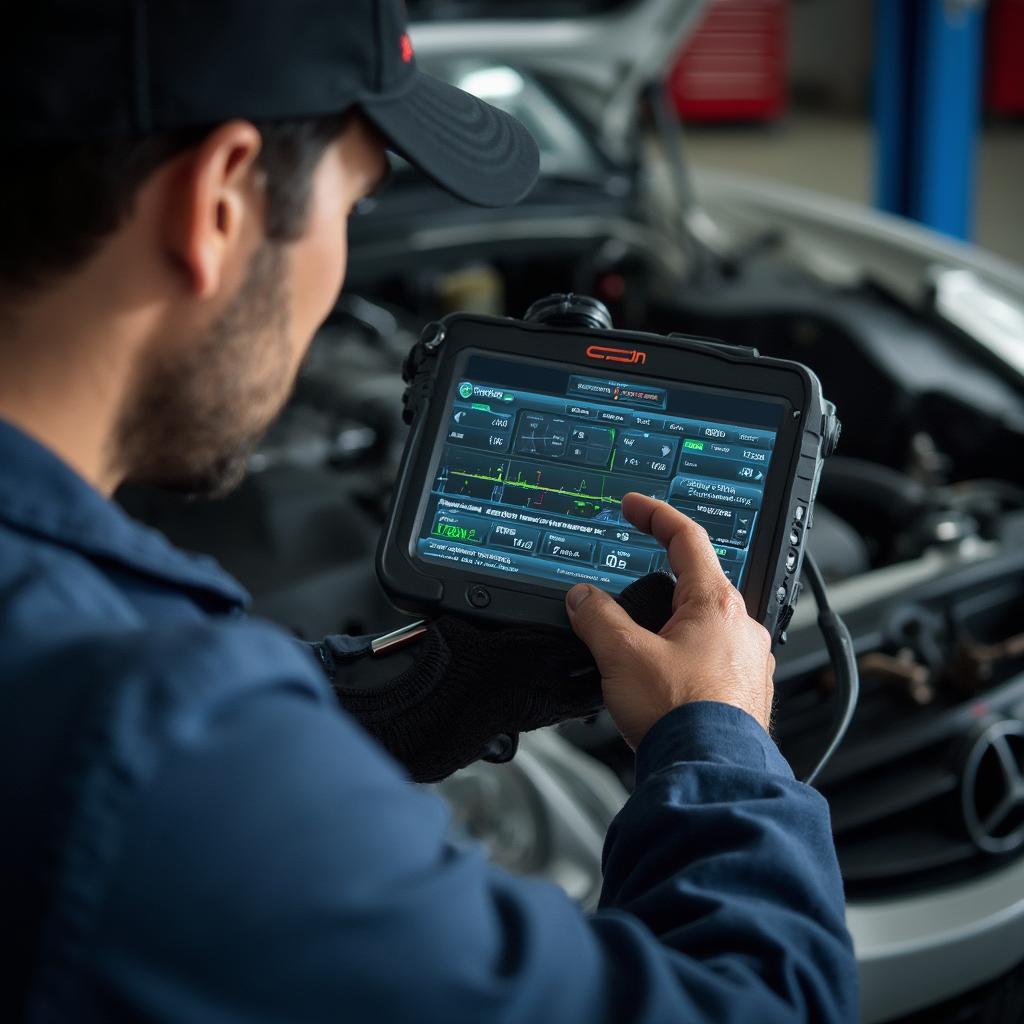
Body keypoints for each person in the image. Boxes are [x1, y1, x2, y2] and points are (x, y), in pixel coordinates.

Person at [0, 2, 857, 1022]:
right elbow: (761, 1005)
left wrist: (425, 692)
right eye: (354, 206)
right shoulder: (154, 743)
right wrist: (715, 738)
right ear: (218, 201)